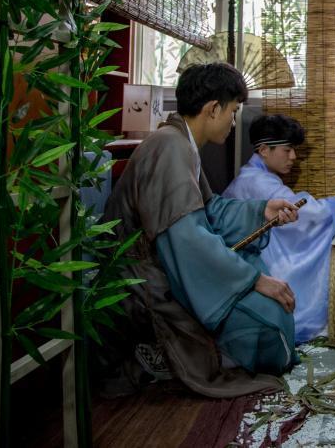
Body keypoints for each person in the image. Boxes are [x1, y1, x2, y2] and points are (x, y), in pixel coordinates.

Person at [104, 63, 301, 397]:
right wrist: (253, 280)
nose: (234, 121)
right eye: (234, 111)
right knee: (267, 321)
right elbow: (186, 238)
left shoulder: (181, 143)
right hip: (145, 280)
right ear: (213, 109)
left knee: (271, 301)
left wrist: (261, 210)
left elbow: (209, 211)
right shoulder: (170, 147)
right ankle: (167, 354)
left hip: (167, 261)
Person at [223, 114, 335, 343]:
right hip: (249, 262)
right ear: (263, 150)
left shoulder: (256, 176)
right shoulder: (257, 181)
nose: (294, 157)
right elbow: (306, 215)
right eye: (287, 149)